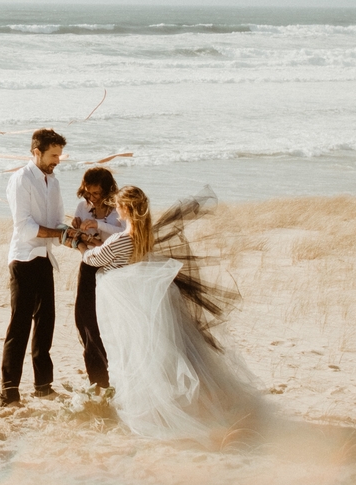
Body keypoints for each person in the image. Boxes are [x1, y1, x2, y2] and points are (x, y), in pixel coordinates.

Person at [83, 185, 264, 441]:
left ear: (125, 209)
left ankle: (149, 411)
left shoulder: (121, 239)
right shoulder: (144, 236)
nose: (116, 208)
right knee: (150, 354)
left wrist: (80, 243)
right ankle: (160, 405)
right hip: (143, 303)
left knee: (131, 353)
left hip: (126, 306)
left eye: (118, 205)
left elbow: (92, 260)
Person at [0, 128, 67, 406]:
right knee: (20, 325)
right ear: (36, 152)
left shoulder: (54, 182)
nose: (57, 161)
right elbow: (25, 229)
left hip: (45, 259)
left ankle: (43, 386)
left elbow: (58, 223)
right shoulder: (21, 180)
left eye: (59, 155)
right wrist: (59, 233)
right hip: (23, 259)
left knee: (46, 324)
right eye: (53, 155)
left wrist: (73, 233)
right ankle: (9, 392)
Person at [71, 167, 122, 389]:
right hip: (90, 265)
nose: (91, 198)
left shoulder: (119, 209)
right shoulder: (83, 207)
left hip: (114, 268)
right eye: (88, 192)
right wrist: (78, 232)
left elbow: (125, 234)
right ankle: (98, 380)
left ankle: (118, 377)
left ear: (108, 191)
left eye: (96, 194)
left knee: (112, 322)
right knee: (85, 321)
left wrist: (98, 225)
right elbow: (85, 240)